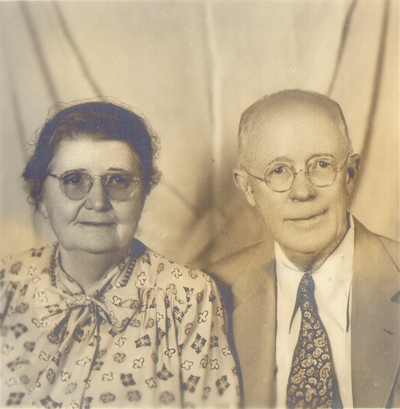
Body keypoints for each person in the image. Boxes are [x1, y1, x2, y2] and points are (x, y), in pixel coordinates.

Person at [0, 99, 240, 408]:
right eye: (74, 180)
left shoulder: (188, 297)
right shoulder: (7, 285)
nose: (97, 202)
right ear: (42, 199)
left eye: (119, 181)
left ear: (142, 197)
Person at [209, 90, 399, 408]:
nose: (302, 191)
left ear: (350, 174)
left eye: (321, 165)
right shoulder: (210, 293)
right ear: (247, 187)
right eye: (278, 171)